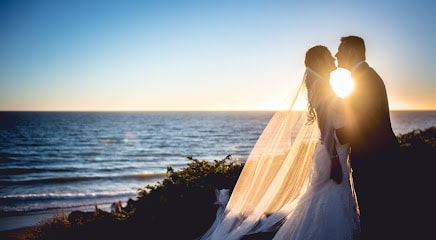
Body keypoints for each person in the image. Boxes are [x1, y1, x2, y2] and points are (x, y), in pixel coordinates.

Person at [198, 45, 360, 240]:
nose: (334, 58)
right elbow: (325, 125)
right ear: (321, 61)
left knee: (322, 198)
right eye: (329, 56)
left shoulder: (323, 85)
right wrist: (334, 158)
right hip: (332, 153)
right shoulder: (323, 87)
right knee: (328, 197)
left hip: (334, 150)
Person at [334, 35, 401, 239]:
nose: (336, 54)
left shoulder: (365, 80)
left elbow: (363, 123)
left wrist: (334, 135)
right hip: (376, 157)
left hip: (375, 160)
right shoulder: (364, 77)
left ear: (353, 52)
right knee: (376, 217)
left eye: (341, 50)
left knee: (375, 218)